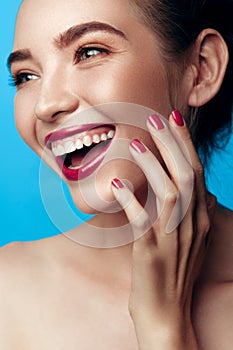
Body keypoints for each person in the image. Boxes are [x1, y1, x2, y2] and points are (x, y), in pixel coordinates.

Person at [1, 0, 233, 349]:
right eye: (26, 76)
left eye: (89, 52)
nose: (45, 105)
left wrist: (163, 326)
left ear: (201, 68)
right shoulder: (9, 293)